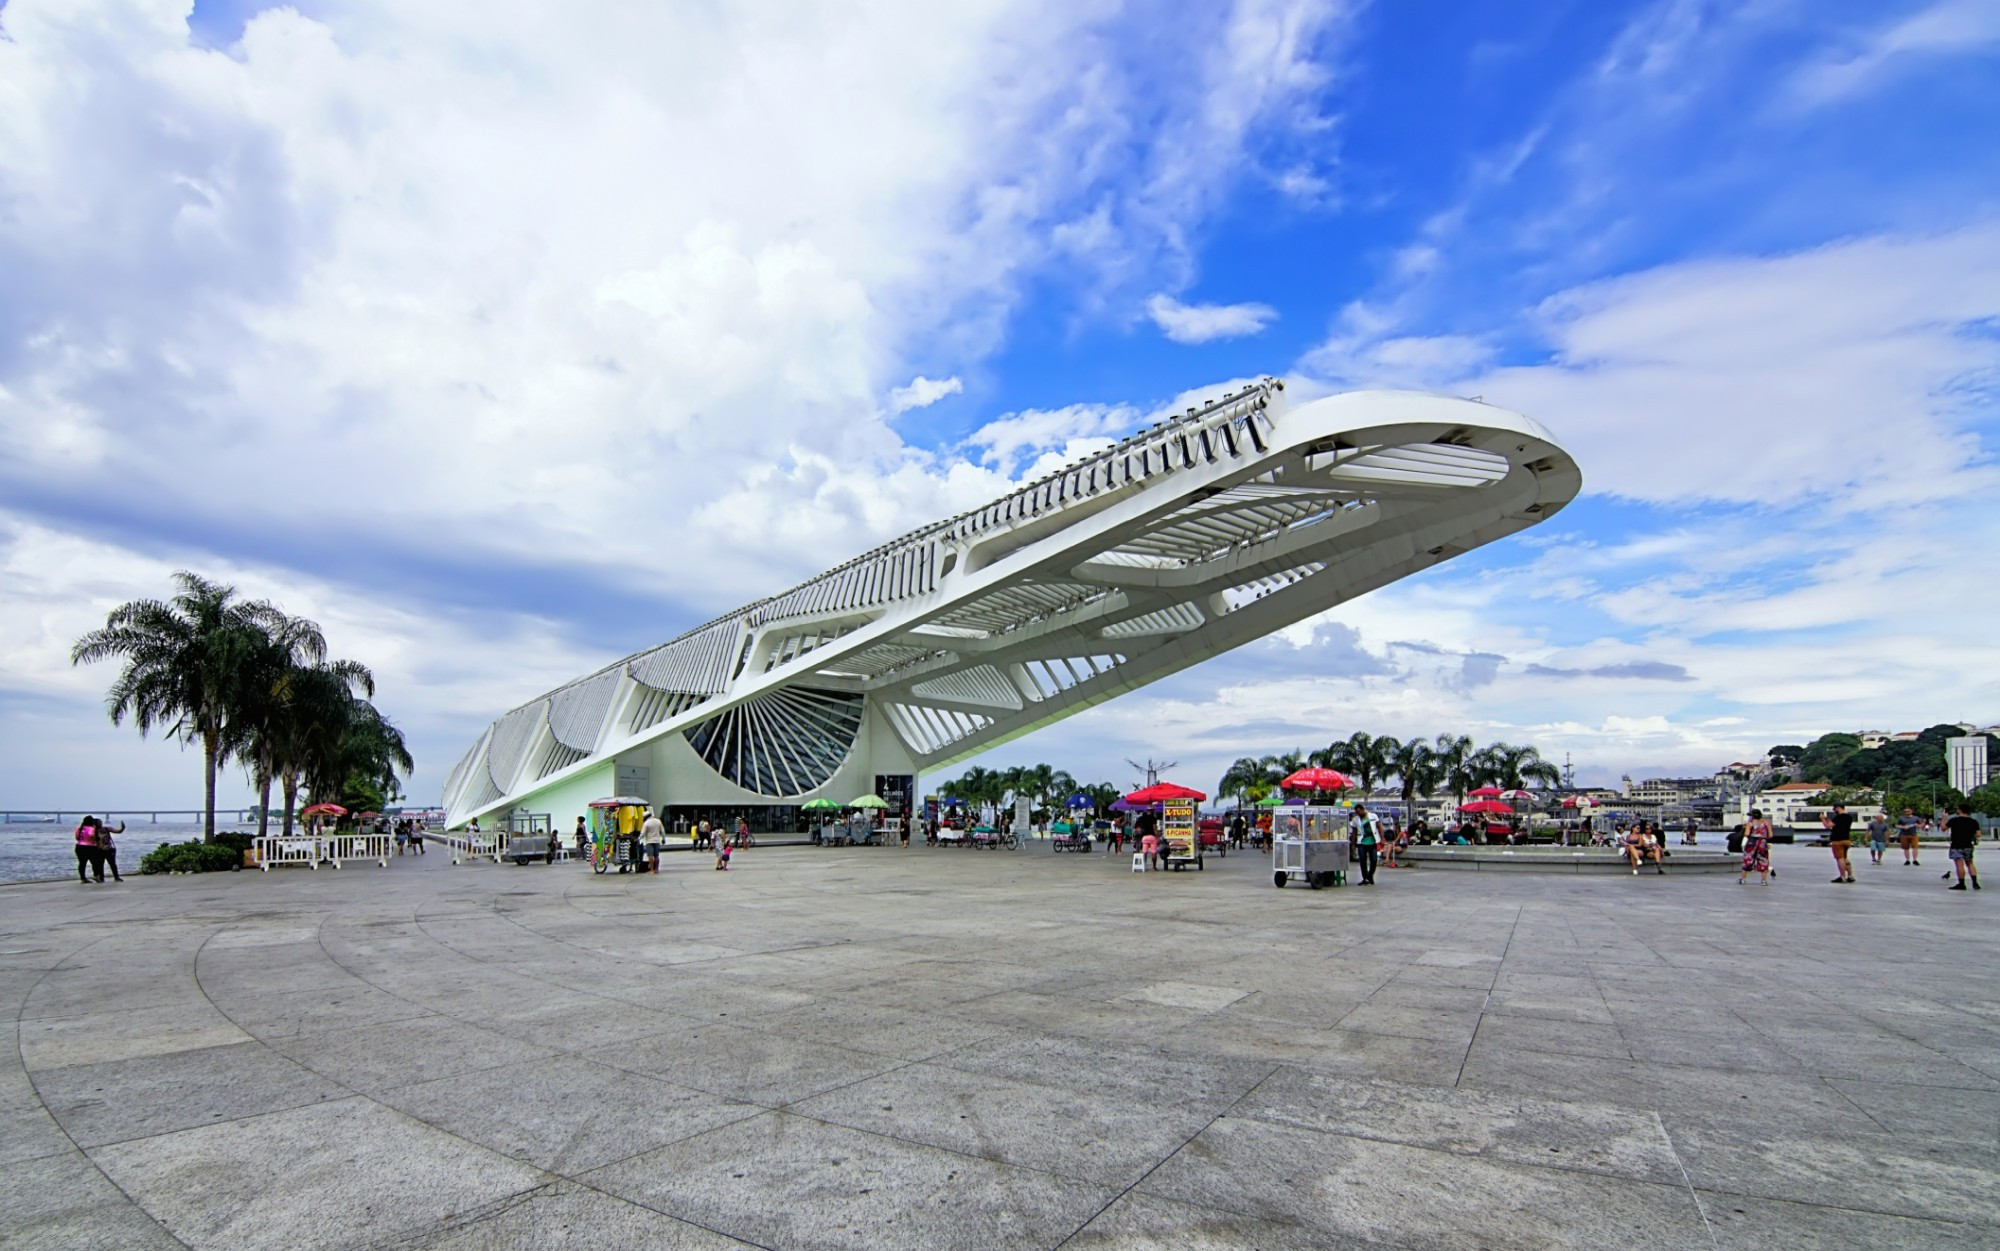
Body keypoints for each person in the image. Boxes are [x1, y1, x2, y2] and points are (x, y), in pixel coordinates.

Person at [1945, 804, 1981, 891]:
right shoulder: (1973, 821)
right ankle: (1975, 883)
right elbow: (1979, 834)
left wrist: (1944, 817)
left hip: (1956, 845)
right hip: (1968, 845)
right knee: (1970, 863)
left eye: (1957, 809)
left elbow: (1943, 828)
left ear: (1960, 810)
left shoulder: (1954, 820)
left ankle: (1961, 884)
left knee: (1959, 865)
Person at [1822, 803, 1857, 884]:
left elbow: (1828, 826)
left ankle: (1842, 877)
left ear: (1838, 808)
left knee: (1840, 859)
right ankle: (1851, 876)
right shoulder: (1849, 817)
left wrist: (1823, 819)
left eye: (1834, 809)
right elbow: (1835, 824)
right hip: (1846, 840)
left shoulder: (1839, 817)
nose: (1834, 811)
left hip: (1838, 840)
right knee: (1845, 858)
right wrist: (1827, 818)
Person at [1739, 808, 1773, 885]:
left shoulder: (1750, 823)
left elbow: (1747, 834)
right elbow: (1771, 835)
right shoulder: (1766, 823)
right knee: (1763, 860)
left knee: (1748, 860)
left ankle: (1743, 879)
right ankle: (1763, 881)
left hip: (1752, 842)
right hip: (1762, 843)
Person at [1352, 804, 1380, 885]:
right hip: (1361, 843)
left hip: (1372, 842)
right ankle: (1365, 878)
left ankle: (1370, 875)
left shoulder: (1373, 816)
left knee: (1374, 860)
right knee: (1362, 861)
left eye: (1359, 812)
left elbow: (1379, 827)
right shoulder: (1355, 820)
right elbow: (1354, 832)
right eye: (1356, 812)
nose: (1358, 814)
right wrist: (1353, 844)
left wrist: (1382, 838)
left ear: (1363, 809)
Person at [73, 815, 103, 884]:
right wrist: (96, 840)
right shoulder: (91, 828)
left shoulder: (79, 829)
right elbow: (92, 836)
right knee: (95, 862)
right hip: (90, 847)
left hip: (79, 847)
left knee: (82, 863)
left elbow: (77, 838)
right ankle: (96, 875)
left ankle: (83, 878)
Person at [641, 807, 666, 873]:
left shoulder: (646, 823)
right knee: (656, 856)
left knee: (650, 856)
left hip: (649, 841)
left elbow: (642, 834)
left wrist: (639, 839)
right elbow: (663, 831)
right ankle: (656, 869)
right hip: (657, 841)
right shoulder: (658, 821)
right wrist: (663, 839)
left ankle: (651, 869)